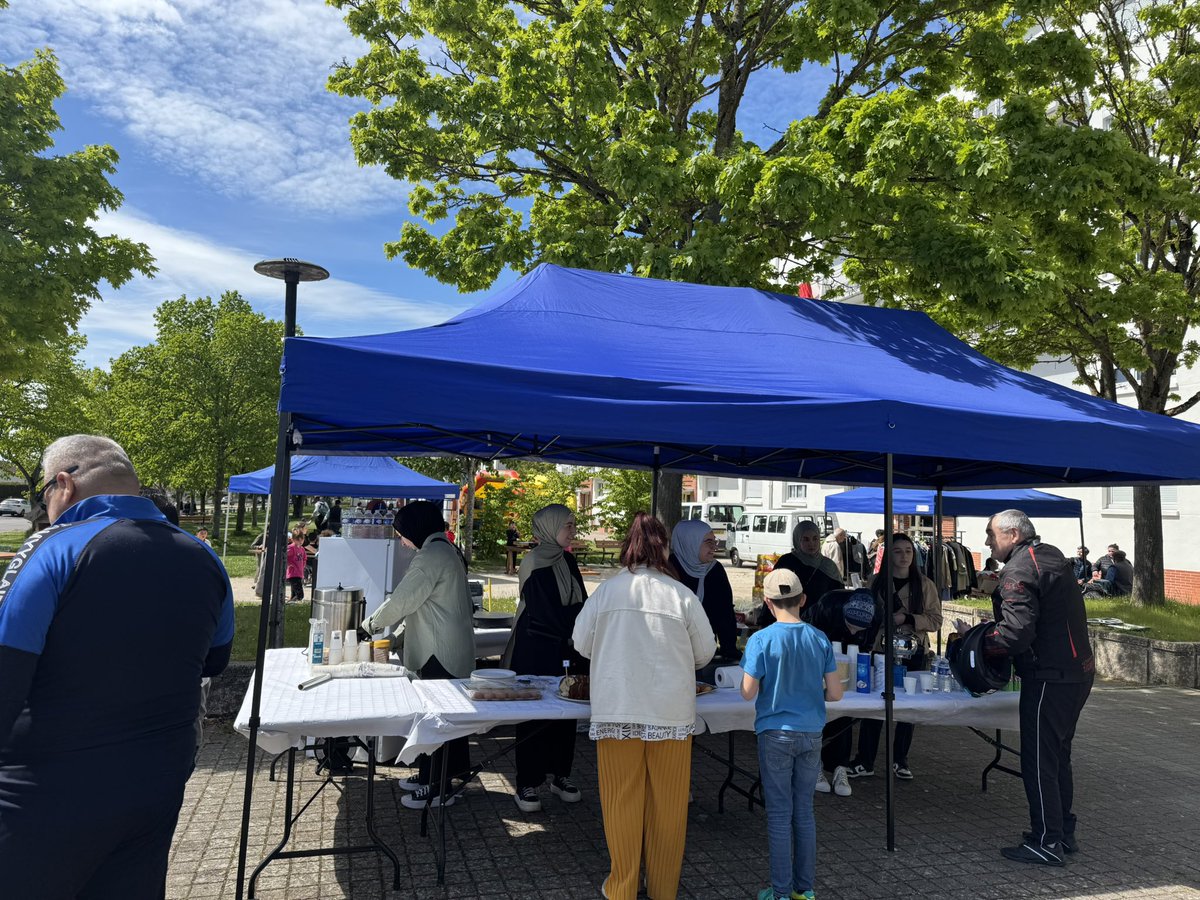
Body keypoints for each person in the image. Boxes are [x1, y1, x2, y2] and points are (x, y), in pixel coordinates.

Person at [0, 435, 234, 899]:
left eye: (42, 494)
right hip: (155, 783)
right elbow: (216, 660)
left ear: (62, 484)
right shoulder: (205, 557)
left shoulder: (53, 547)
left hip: (44, 790)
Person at [572, 513, 716, 900]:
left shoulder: (607, 590)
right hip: (669, 711)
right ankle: (663, 888)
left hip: (618, 708)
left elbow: (581, 643)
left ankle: (623, 886)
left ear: (627, 546)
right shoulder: (681, 594)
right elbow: (705, 653)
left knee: (621, 801)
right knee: (669, 806)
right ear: (665, 548)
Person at [972, 509, 1094, 867]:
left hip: (1050, 676)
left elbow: (1015, 633)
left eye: (991, 535)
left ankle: (1046, 841)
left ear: (1011, 534)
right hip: (1076, 673)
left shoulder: (1021, 569)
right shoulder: (1049, 554)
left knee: (1039, 761)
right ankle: (1063, 832)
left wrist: (979, 642)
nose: (987, 542)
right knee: (1057, 757)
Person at [363, 500, 474, 810]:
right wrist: (396, 640)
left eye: (402, 534)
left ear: (415, 529)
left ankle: (439, 787)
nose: (402, 540)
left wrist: (367, 626)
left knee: (438, 719)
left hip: (439, 652)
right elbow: (423, 608)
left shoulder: (430, 556)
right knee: (449, 717)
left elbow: (402, 601)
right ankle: (434, 776)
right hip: (447, 647)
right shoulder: (445, 550)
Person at [741, 568, 842, 900]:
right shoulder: (819, 638)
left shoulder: (761, 640)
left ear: (768, 603)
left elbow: (746, 692)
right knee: (805, 812)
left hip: (774, 733)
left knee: (780, 815)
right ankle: (805, 890)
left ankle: (780, 892)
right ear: (803, 600)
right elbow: (836, 694)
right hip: (812, 732)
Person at [507, 505, 588, 813]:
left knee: (566, 712)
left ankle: (560, 775)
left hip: (567, 648)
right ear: (549, 527)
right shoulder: (533, 562)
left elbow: (583, 603)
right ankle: (527, 781)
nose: (572, 530)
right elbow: (546, 611)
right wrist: (576, 624)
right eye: (567, 525)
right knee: (534, 714)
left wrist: (580, 625)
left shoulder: (567, 559)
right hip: (537, 649)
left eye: (573, 524)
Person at [848, 533, 942, 781]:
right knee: (874, 706)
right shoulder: (876, 583)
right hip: (881, 650)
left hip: (914, 651)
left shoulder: (925, 585)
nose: (904, 556)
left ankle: (900, 760)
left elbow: (935, 620)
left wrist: (908, 618)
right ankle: (865, 760)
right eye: (898, 551)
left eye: (908, 551)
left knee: (908, 708)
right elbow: (864, 615)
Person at [800, 588, 881, 797]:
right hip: (818, 650)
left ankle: (839, 766)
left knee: (845, 709)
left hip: (849, 658)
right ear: (843, 614)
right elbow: (806, 635)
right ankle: (814, 763)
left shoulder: (876, 613)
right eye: (850, 626)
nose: (853, 632)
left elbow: (867, 646)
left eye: (859, 629)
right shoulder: (827, 605)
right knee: (819, 708)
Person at [669, 519, 740, 661]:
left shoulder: (714, 570)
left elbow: (725, 613)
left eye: (715, 541)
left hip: (704, 651)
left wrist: (729, 649)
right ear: (690, 542)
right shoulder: (669, 570)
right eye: (708, 542)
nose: (714, 547)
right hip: (673, 652)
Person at [756, 521, 843, 627]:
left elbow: (837, 597)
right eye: (805, 539)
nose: (811, 543)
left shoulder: (828, 565)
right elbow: (774, 592)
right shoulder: (787, 562)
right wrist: (764, 622)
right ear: (797, 540)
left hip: (819, 625)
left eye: (815, 538)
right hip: (787, 623)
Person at [285, 529, 307, 602]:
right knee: (300, 595)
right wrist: (289, 564)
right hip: (293, 574)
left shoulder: (302, 549)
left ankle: (292, 601)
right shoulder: (291, 548)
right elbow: (284, 557)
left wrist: (303, 566)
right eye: (298, 540)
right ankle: (295, 600)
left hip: (299, 573)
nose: (300, 542)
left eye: (302, 540)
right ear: (293, 539)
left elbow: (304, 558)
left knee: (294, 593)